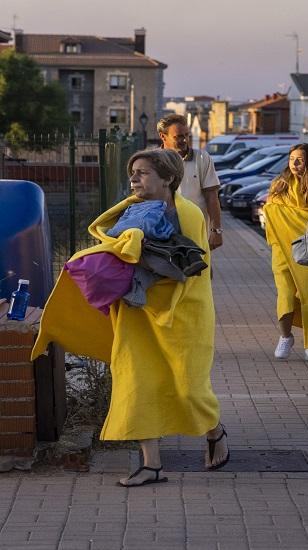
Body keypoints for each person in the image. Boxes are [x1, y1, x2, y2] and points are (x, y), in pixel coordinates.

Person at [31, 149, 229, 486]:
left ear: (168, 177)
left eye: (142, 173)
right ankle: (151, 465)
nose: (134, 179)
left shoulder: (189, 214)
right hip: (135, 313)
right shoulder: (132, 212)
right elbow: (111, 246)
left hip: (180, 316)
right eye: (132, 173)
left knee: (188, 388)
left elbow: (194, 269)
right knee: (137, 384)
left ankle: (216, 431)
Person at [263, 144, 308, 363]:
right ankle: (286, 336)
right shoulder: (280, 185)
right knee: (285, 296)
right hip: (284, 251)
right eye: (291, 158)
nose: (294, 163)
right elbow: (270, 211)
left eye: (299, 160)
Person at [157, 114, 224, 250]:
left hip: (197, 235)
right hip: (162, 235)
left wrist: (216, 230)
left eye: (186, 135)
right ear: (163, 136)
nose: (184, 140)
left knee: (203, 271)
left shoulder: (202, 158)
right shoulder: (152, 161)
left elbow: (212, 197)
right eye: (178, 136)